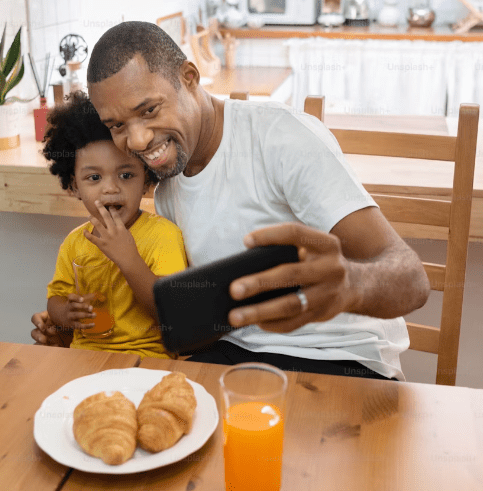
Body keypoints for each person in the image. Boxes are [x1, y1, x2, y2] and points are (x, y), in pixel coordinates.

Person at [32, 22, 430, 380]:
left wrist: (351, 286)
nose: (136, 141)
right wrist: (67, 333)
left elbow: (412, 280)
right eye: (117, 125)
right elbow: (190, 324)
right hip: (232, 358)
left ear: (189, 77)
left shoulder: (279, 138)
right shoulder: (169, 183)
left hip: (341, 362)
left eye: (149, 110)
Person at [39, 90, 187, 358]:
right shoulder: (75, 242)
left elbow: (174, 314)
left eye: (126, 174)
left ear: (146, 180)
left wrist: (128, 259)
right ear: (75, 187)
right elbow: (56, 299)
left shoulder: (163, 235)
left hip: (147, 359)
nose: (110, 188)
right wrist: (66, 314)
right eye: (94, 178)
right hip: (84, 355)